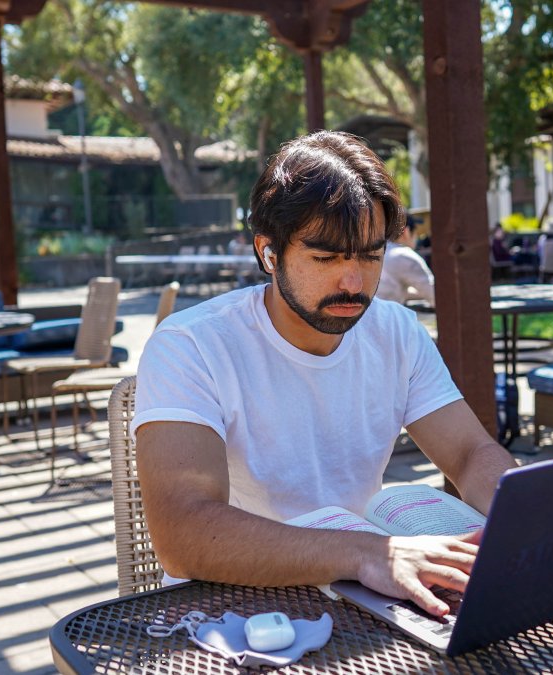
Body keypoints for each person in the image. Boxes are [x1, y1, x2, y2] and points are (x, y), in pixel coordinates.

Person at [132, 131, 516, 617]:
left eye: (370, 255)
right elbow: (184, 533)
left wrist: (522, 519)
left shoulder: (395, 331)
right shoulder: (192, 346)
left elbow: (468, 452)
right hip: (232, 609)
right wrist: (370, 553)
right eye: (326, 258)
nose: (353, 282)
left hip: (363, 594)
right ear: (268, 252)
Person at [376, 216, 435, 306]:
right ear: (406, 232)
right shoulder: (404, 255)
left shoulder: (376, 252)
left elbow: (389, 288)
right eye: (416, 232)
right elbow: (435, 295)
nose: (416, 237)